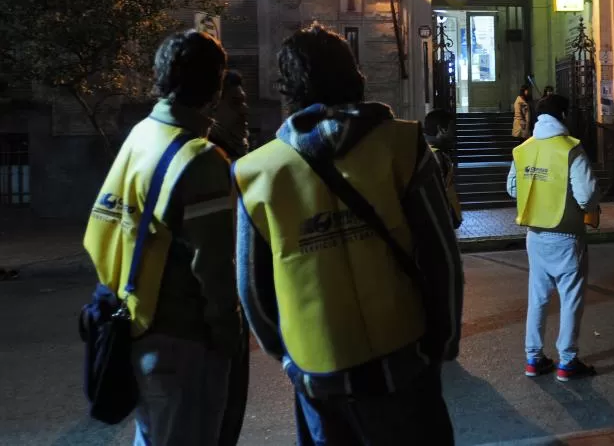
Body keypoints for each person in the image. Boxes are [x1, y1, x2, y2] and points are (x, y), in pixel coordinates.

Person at [234, 25, 463, 446]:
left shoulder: (257, 172)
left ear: (287, 88)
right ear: (356, 76)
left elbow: (253, 290)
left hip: (319, 373)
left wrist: (291, 360)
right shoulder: (404, 145)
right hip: (404, 361)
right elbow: (441, 257)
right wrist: (441, 344)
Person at [83, 30, 240, 446]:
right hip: (184, 342)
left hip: (134, 325)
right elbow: (214, 268)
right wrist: (229, 334)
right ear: (216, 85)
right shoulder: (201, 159)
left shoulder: (142, 135)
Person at [507, 94, 601, 382]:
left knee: (538, 299)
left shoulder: (523, 149)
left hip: (535, 235)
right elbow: (586, 195)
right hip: (567, 235)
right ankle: (567, 362)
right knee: (570, 299)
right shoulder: (570, 149)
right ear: (563, 114)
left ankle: (533, 359)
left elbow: (512, 188)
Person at [209, 69, 251, 446]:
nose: (245, 111)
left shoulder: (233, 155)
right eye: (235, 103)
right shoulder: (208, 162)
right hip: (208, 325)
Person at [425, 107, 462, 227]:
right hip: (438, 222)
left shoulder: (427, 153)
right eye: (453, 129)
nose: (454, 134)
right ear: (442, 129)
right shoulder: (435, 157)